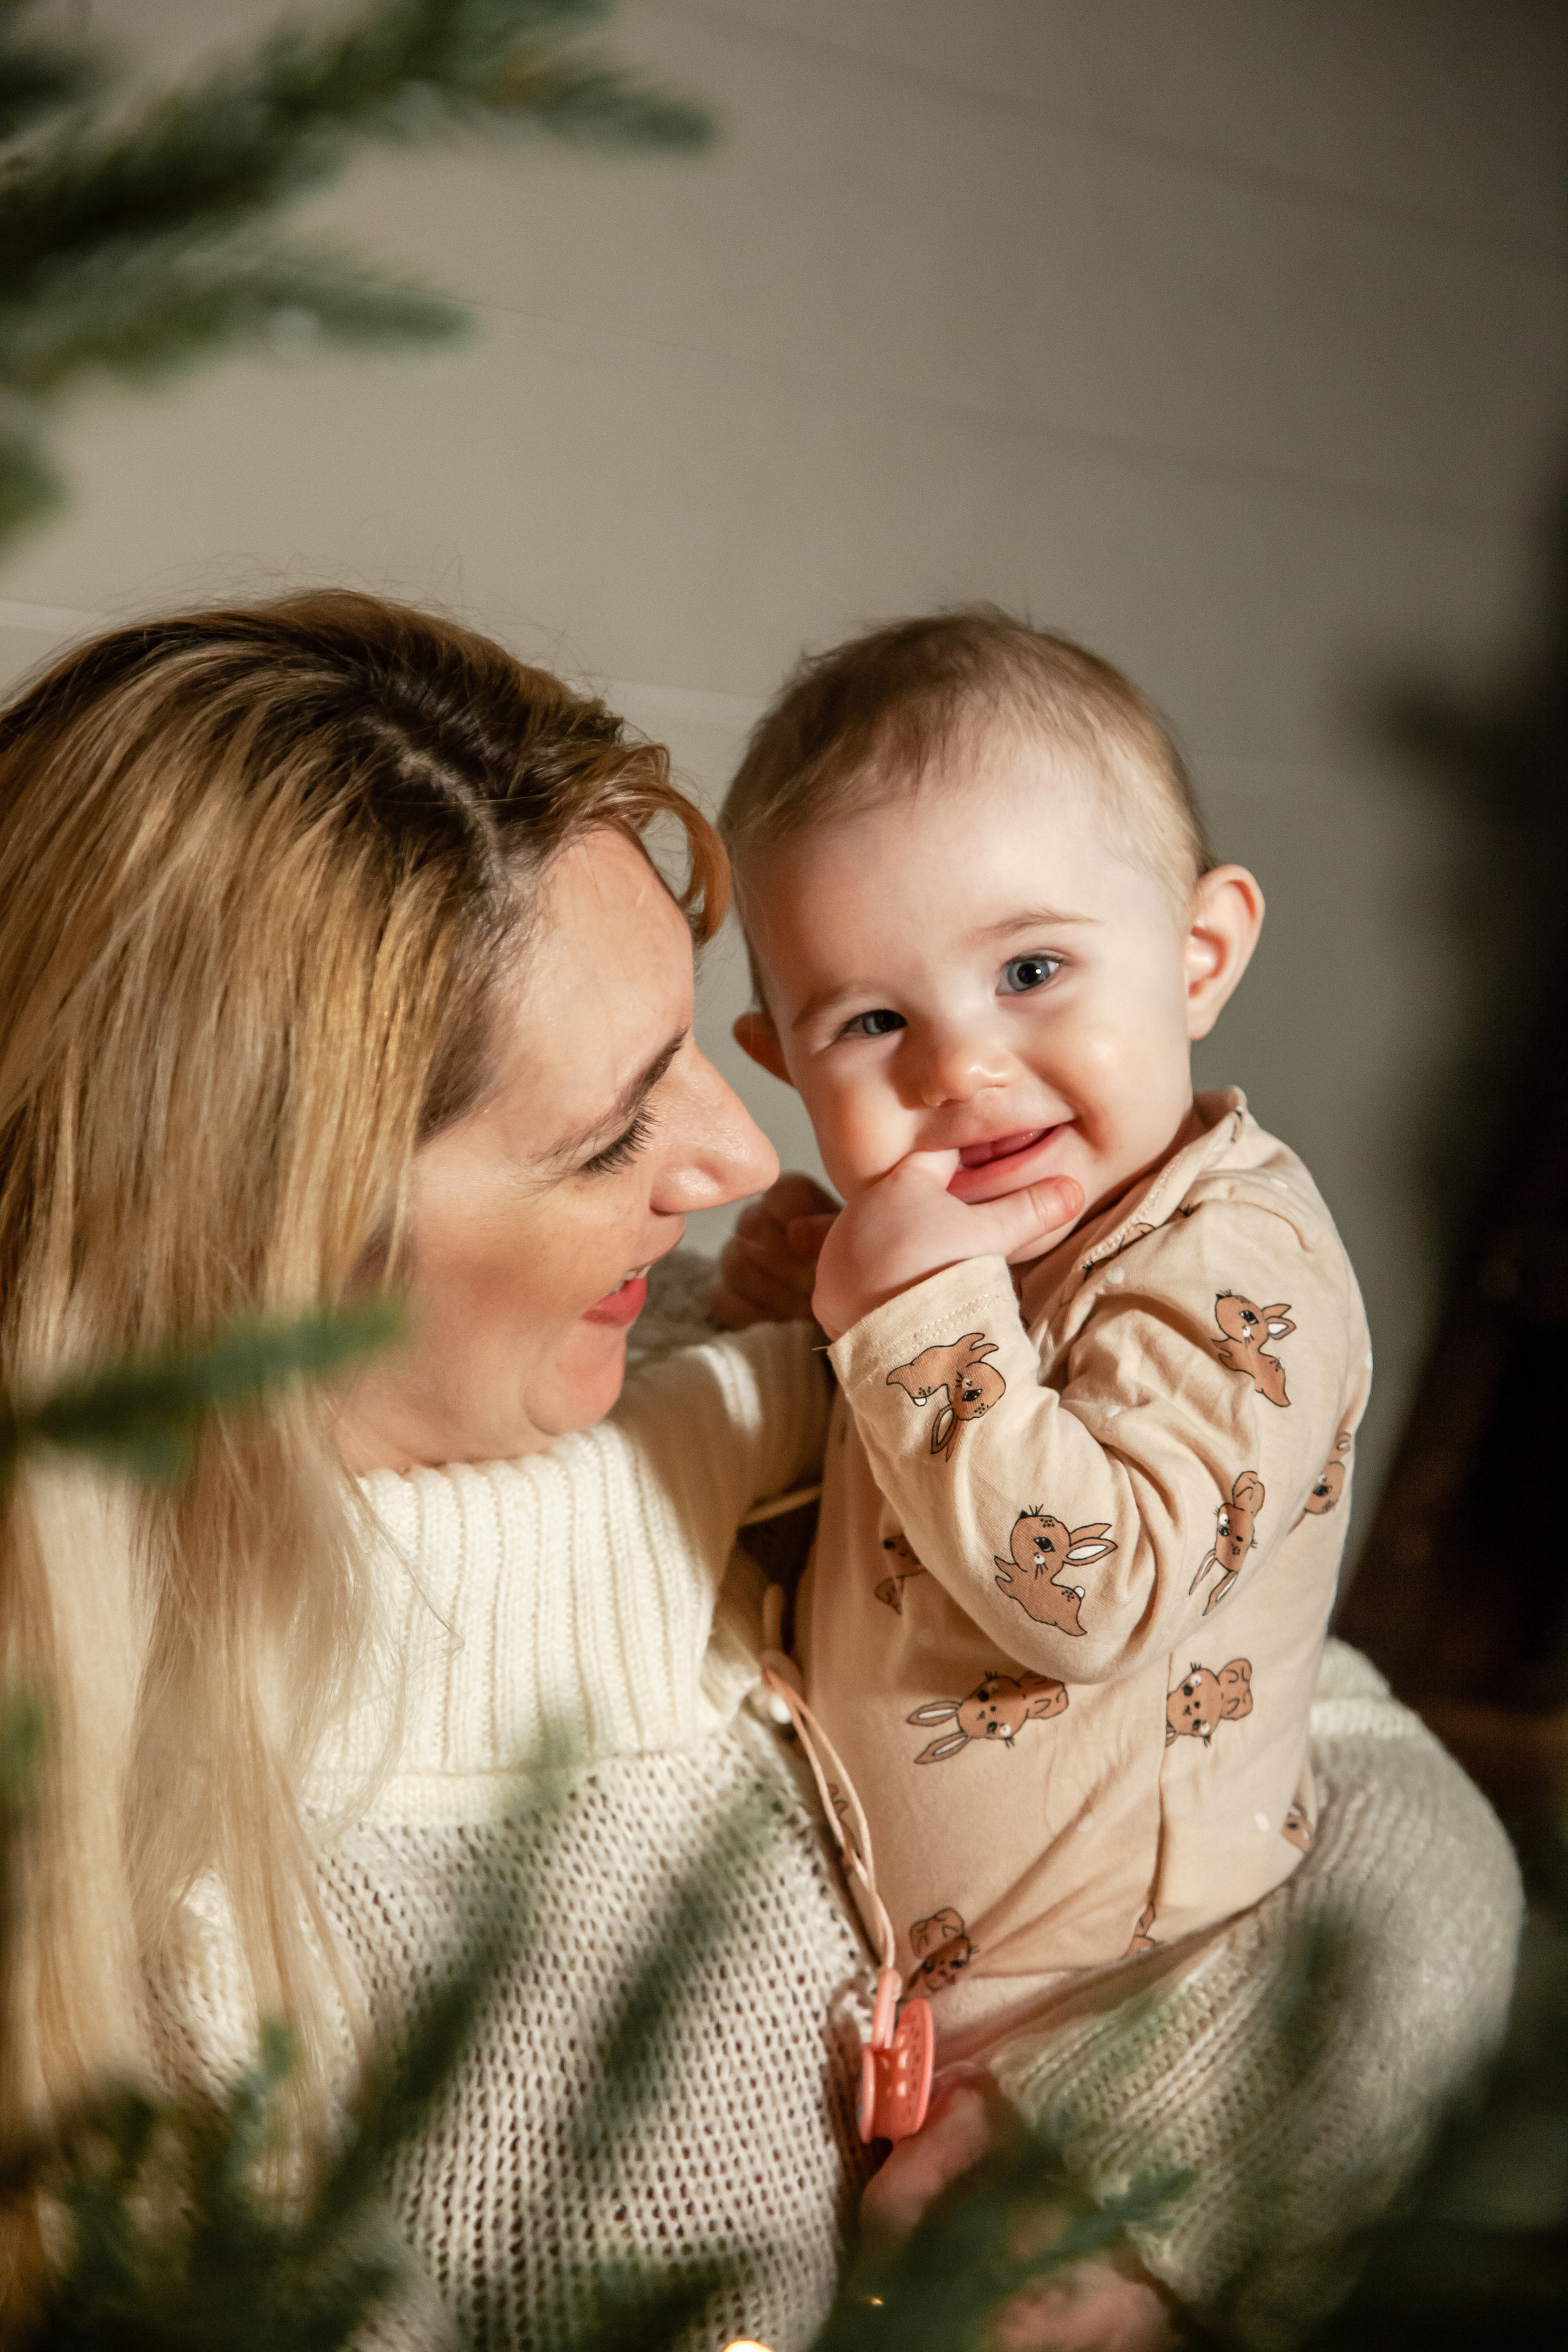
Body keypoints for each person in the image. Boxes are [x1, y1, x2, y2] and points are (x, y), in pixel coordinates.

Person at [0, 594, 1520, 2352]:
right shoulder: (154, 1927)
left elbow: (1385, 1805)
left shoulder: (775, 1409)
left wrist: (1134, 2160)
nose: (739, 1154)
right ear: (259, 1261)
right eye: (610, 1129)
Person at [714, 608, 1525, 2343]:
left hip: (1148, 2001)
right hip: (941, 1981)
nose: (963, 1066)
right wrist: (802, 1321)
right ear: (779, 1059)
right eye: (869, 1020)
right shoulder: (960, 1253)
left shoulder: (1241, 1265)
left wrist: (915, 1322)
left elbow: (1087, 1591)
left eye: (1031, 972)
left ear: (1200, 950)